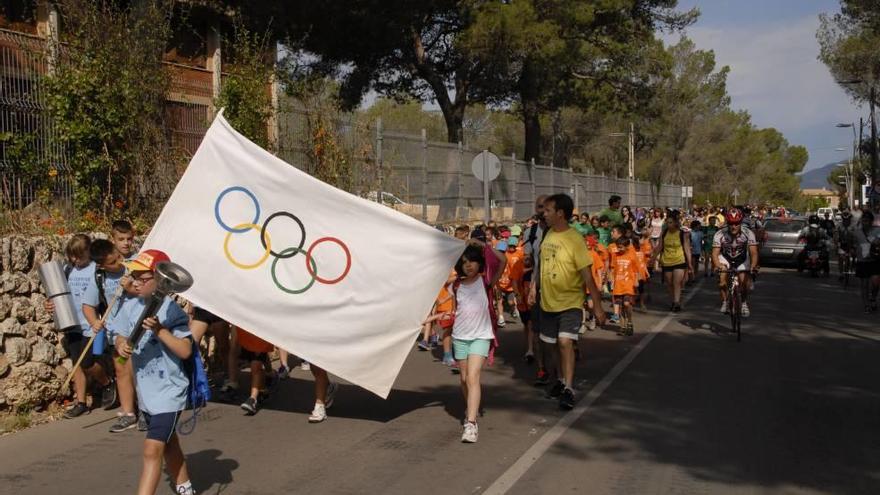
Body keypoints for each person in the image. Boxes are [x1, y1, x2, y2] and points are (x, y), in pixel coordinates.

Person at [109, 249, 195, 495]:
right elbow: (119, 334)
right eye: (133, 276)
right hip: (146, 393)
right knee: (168, 444)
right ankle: (185, 486)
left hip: (170, 391)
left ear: (159, 279)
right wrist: (121, 343)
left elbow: (185, 351)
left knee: (151, 449)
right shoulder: (130, 305)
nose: (134, 282)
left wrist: (159, 330)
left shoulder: (172, 311)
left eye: (141, 277)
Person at [529, 193, 606, 410]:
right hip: (548, 302)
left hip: (570, 302)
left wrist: (598, 306)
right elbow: (542, 265)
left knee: (565, 342)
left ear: (560, 213)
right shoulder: (548, 235)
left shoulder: (575, 240)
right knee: (551, 344)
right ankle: (561, 381)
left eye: (548, 210)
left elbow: (587, 275)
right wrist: (534, 287)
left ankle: (569, 389)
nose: (544, 213)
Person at [425, 239, 506, 443]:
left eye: (472, 261)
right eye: (464, 262)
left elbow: (502, 261)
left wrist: (481, 245)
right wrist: (434, 317)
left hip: (481, 336)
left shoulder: (486, 280)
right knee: (463, 379)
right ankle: (472, 406)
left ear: (479, 262)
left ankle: (471, 423)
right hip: (460, 336)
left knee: (472, 377)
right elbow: (450, 307)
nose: (468, 265)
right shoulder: (456, 285)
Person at [45, 235, 116, 418]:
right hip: (72, 324)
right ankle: (81, 402)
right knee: (77, 363)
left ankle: (107, 383)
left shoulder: (97, 270)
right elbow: (59, 295)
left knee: (88, 363)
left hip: (92, 325)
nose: (75, 260)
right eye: (71, 256)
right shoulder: (68, 270)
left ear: (88, 252)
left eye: (79, 256)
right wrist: (50, 305)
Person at [82, 239, 140, 432]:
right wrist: (94, 322)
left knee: (142, 370)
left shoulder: (135, 266)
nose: (119, 262)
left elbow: (150, 291)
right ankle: (128, 413)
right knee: (122, 369)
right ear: (101, 265)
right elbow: (87, 306)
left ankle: (149, 411)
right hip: (118, 332)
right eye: (113, 262)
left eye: (118, 257)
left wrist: (132, 288)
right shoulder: (99, 278)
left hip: (142, 327)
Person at [711, 208, 760, 316]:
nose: (734, 226)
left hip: (741, 258)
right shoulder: (719, 234)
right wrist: (718, 265)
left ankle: (743, 303)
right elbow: (715, 253)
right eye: (731, 223)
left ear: (740, 222)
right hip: (725, 257)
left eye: (736, 223)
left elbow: (754, 252)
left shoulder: (748, 233)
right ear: (727, 223)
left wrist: (753, 266)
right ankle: (725, 302)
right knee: (721, 280)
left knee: (744, 283)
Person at [523, 195, 549, 385]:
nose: (543, 210)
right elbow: (529, 261)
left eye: (546, 207)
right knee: (538, 331)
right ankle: (542, 369)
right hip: (537, 288)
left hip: (561, 289)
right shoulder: (530, 232)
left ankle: (563, 372)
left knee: (559, 338)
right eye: (540, 206)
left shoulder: (562, 231)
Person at [650, 213, 692, 312]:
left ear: (676, 223)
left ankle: (677, 302)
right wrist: (653, 258)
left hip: (679, 260)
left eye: (671, 222)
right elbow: (660, 246)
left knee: (677, 282)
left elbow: (686, 248)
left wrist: (689, 263)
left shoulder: (682, 234)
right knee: (669, 283)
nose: (669, 224)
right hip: (667, 261)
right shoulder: (664, 233)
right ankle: (674, 300)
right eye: (667, 222)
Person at [232, 326, 275, 415]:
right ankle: (263, 389)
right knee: (257, 362)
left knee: (255, 365)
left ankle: (252, 399)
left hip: (261, 332)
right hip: (246, 333)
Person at [610, 237, 640, 336]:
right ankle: (622, 326)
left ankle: (630, 322)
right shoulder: (616, 256)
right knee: (620, 306)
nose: (619, 249)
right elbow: (613, 269)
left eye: (621, 247)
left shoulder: (632, 256)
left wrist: (636, 281)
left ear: (627, 246)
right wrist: (611, 280)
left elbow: (636, 269)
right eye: (618, 247)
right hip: (618, 285)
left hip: (628, 284)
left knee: (627, 304)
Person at [852, 210, 880, 313]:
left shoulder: (877, 231)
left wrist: (876, 242)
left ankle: (873, 297)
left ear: (871, 221)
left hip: (875, 260)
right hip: (862, 261)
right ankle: (866, 305)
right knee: (864, 284)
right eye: (864, 220)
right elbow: (853, 243)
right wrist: (852, 250)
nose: (865, 222)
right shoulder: (857, 232)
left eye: (867, 220)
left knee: (876, 282)